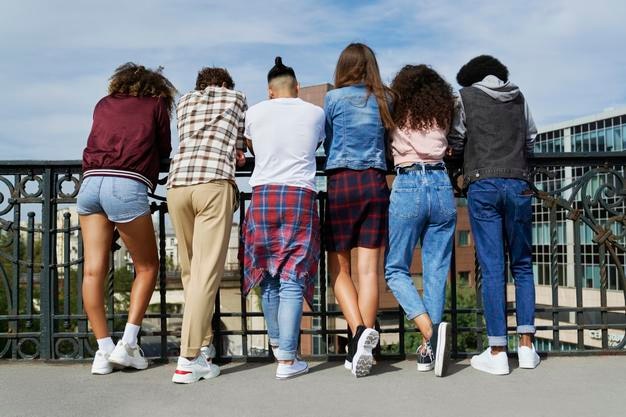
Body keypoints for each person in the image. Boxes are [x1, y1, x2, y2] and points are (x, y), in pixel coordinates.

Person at [78, 63, 176, 375]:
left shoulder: (103, 104)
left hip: (90, 183)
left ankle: (103, 350)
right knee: (147, 266)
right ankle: (128, 345)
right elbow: (164, 148)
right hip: (126, 184)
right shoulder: (156, 105)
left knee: (93, 271)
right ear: (156, 88)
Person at [448, 55, 540, 375]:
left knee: (492, 266)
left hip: (482, 184)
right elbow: (530, 138)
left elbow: (457, 140)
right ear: (500, 75)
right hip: (519, 184)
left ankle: (498, 350)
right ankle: (527, 346)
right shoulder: (519, 96)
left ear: (470, 78)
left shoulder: (464, 97)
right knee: (523, 265)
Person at [242, 57, 325, 380]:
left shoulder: (255, 113)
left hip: (262, 195)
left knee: (269, 275)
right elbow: (317, 143)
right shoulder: (314, 113)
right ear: (297, 88)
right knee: (292, 276)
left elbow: (251, 146)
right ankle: (288, 361)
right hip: (299, 196)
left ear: (270, 91)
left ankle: (278, 346)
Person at [167, 67, 247, 384]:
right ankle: (188, 360)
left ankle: (202, 347)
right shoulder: (236, 98)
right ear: (226, 84)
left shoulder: (184, 103)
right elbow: (239, 152)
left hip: (177, 186)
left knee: (190, 273)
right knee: (206, 273)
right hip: (213, 184)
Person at [323, 43, 394, 377]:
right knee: (369, 272)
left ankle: (357, 336)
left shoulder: (333, 99)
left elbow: (328, 139)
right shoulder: (385, 99)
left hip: (342, 184)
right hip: (376, 184)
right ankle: (364, 347)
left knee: (339, 269)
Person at [384, 65, 456, 377]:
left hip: (409, 181)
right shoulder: (443, 107)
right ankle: (429, 352)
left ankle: (430, 333)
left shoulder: (394, 106)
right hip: (441, 182)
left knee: (395, 268)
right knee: (436, 270)